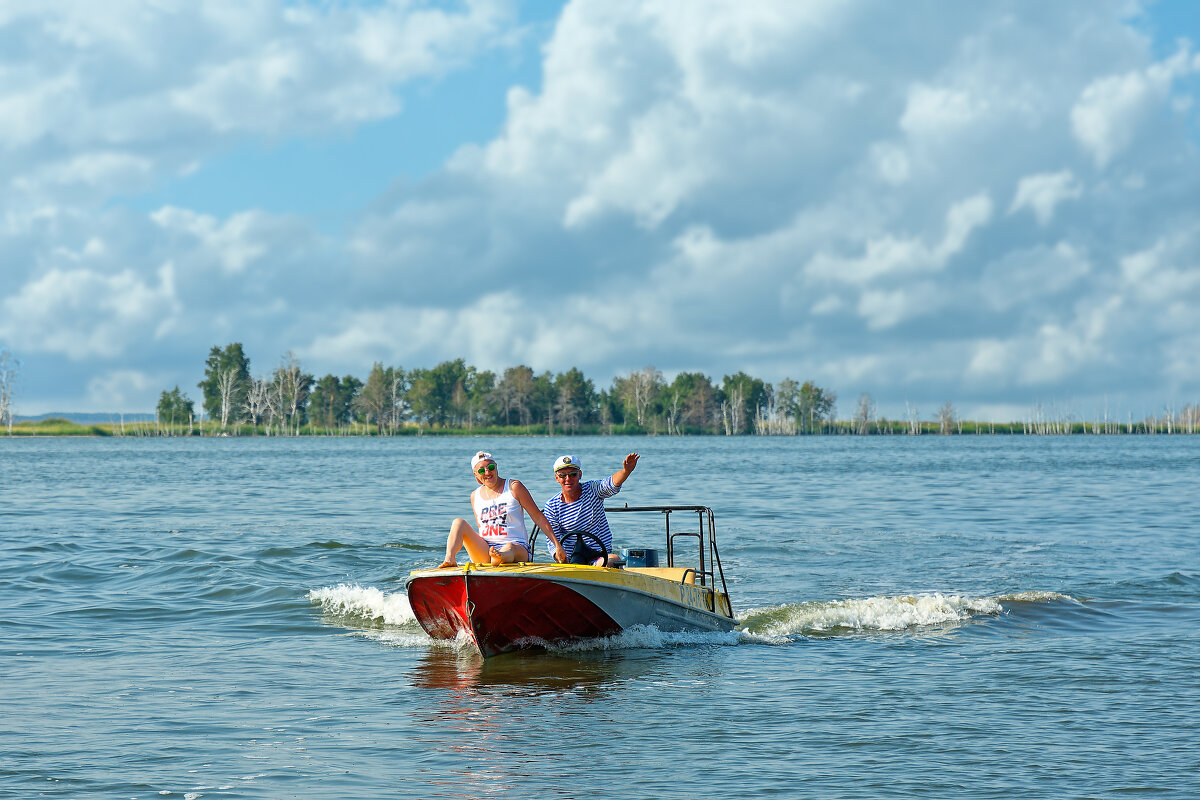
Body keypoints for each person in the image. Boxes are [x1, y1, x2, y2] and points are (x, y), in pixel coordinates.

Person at [439, 451, 566, 568]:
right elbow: (481, 528)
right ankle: (450, 559)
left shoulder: (514, 487)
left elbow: (537, 516)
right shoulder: (474, 496)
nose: (487, 472)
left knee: (509, 547)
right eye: (482, 471)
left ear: (496, 467)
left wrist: (557, 545)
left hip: (517, 548)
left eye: (490, 467)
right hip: (487, 551)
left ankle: (500, 557)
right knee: (458, 522)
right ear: (476, 476)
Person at [542, 452, 639, 565]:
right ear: (557, 478)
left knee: (612, 560)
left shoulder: (593, 490)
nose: (568, 479)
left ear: (580, 475)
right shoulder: (551, 506)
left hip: (599, 558)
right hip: (569, 562)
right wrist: (558, 554)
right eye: (563, 475)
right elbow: (552, 539)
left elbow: (612, 484)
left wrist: (626, 471)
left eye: (573, 474)